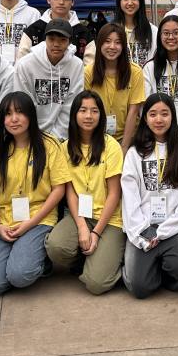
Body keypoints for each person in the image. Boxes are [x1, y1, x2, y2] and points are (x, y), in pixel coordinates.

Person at [0, 92, 71, 296]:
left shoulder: (49, 145)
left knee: (20, 276)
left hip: (39, 217)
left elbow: (58, 189)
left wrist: (29, 223)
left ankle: (40, 260)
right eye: (8, 114)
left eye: (20, 112)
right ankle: (13, 258)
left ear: (31, 115)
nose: (14, 119)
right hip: (4, 220)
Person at [120, 93, 178, 299]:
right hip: (144, 227)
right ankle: (150, 266)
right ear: (145, 118)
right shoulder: (135, 153)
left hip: (175, 226)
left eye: (164, 114)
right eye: (153, 114)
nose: (159, 119)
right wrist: (142, 231)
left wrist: (165, 230)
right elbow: (129, 198)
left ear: (173, 117)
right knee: (139, 288)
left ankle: (168, 269)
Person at [45, 91, 126, 294]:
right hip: (80, 215)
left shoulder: (112, 146)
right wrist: (82, 226)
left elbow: (115, 194)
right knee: (56, 247)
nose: (88, 116)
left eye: (94, 111)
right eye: (83, 110)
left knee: (96, 284)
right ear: (74, 115)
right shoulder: (64, 148)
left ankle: (116, 257)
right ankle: (89, 256)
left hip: (109, 220)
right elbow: (69, 193)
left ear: (101, 116)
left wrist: (96, 232)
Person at [14, 18, 84, 141]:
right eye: (51, 39)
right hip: (30, 135)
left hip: (63, 137)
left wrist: (56, 138)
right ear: (44, 39)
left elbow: (71, 105)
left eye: (62, 40)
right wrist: (35, 137)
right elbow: (23, 104)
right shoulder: (25, 64)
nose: (56, 44)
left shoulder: (76, 65)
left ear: (69, 42)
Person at [84, 24, 146, 154]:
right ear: (99, 43)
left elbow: (134, 111)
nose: (112, 47)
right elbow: (86, 109)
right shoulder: (89, 71)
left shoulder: (135, 72)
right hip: (97, 137)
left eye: (117, 42)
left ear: (123, 46)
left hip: (128, 138)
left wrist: (124, 147)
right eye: (107, 41)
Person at [17, 0, 93, 61]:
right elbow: (21, 64)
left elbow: (90, 68)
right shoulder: (34, 30)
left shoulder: (83, 33)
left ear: (72, 1)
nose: (61, 2)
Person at [84, 0, 158, 68]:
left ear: (140, 2)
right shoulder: (109, 30)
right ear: (119, 2)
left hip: (146, 80)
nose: (130, 3)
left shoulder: (153, 31)